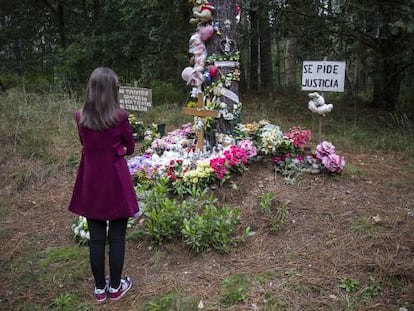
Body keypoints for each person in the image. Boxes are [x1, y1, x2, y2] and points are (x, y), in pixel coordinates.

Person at [68, 67, 139, 302]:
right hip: (115, 180)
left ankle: (100, 290)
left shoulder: (80, 117)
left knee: (97, 239)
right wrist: (118, 149)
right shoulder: (120, 117)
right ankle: (116, 287)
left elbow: (86, 144)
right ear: (112, 91)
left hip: (91, 180)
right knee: (117, 237)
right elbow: (130, 147)